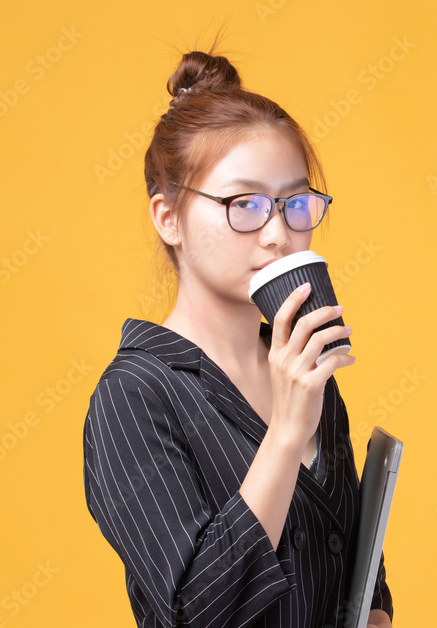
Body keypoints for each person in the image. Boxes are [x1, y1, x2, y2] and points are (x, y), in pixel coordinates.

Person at [82, 47, 394, 628]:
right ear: (168, 218)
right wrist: (287, 432)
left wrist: (375, 611)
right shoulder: (134, 396)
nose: (278, 233)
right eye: (244, 204)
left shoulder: (301, 364)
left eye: (294, 203)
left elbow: (356, 568)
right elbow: (195, 612)